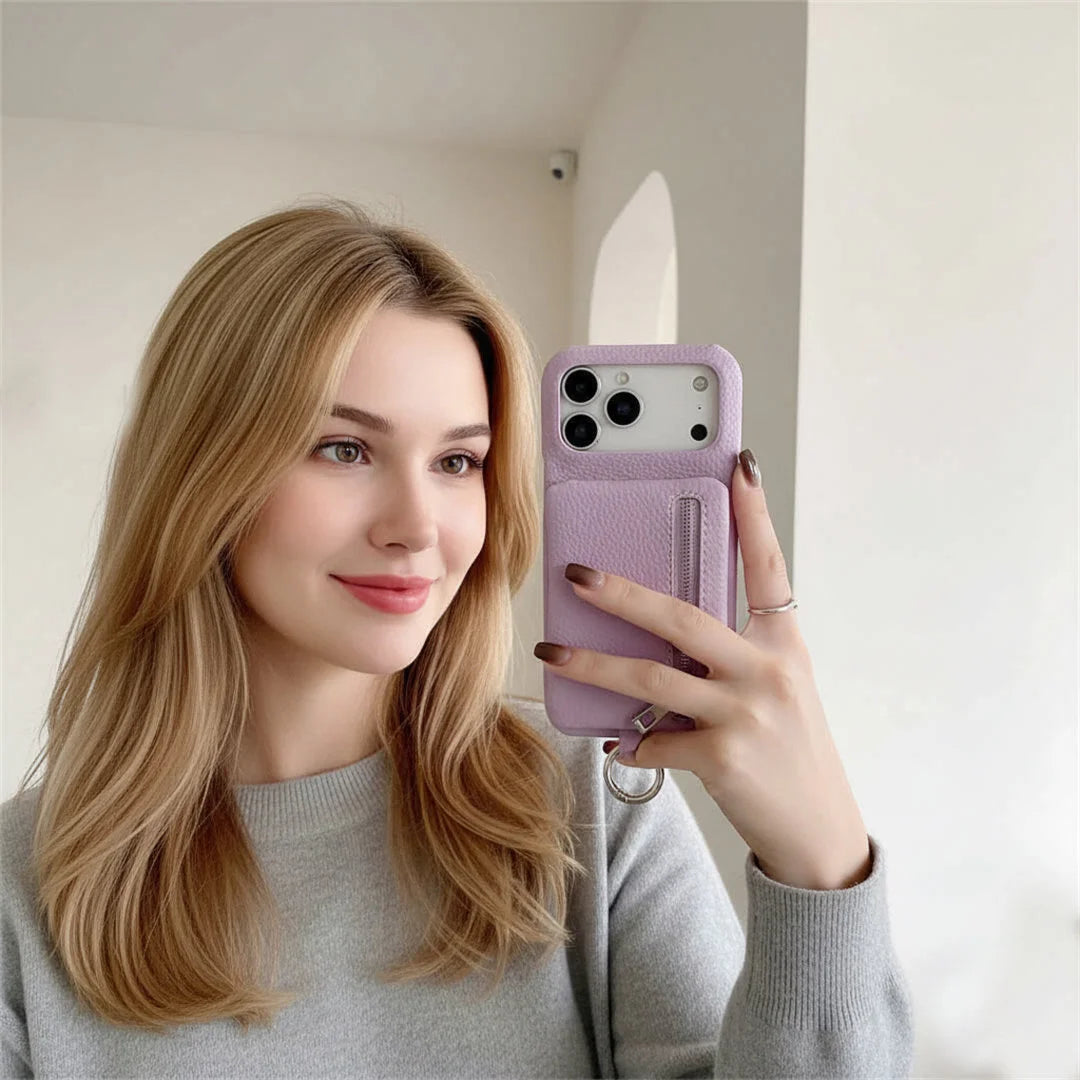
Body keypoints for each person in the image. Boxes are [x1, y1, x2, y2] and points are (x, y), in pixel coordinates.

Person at [1, 197, 914, 1077]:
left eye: (457, 462)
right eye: (345, 448)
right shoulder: (27, 887)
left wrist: (821, 865)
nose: (418, 525)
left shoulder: (590, 809)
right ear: (202, 468)